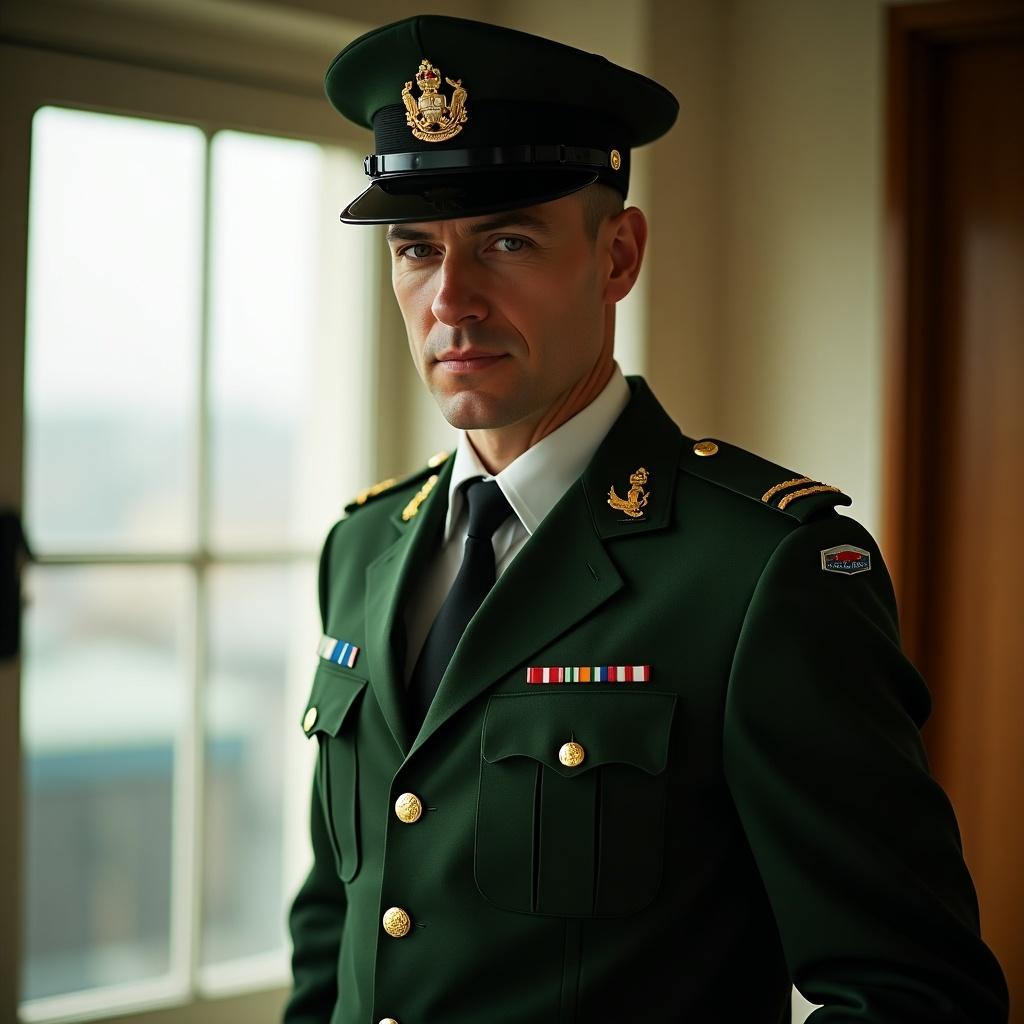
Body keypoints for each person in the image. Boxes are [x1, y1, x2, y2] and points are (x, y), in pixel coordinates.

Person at [284, 15, 1009, 1024]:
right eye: (414, 248)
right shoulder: (361, 547)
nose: (450, 298)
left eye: (505, 240)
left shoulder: (762, 570)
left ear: (617, 255)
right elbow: (337, 925)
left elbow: (911, 994)